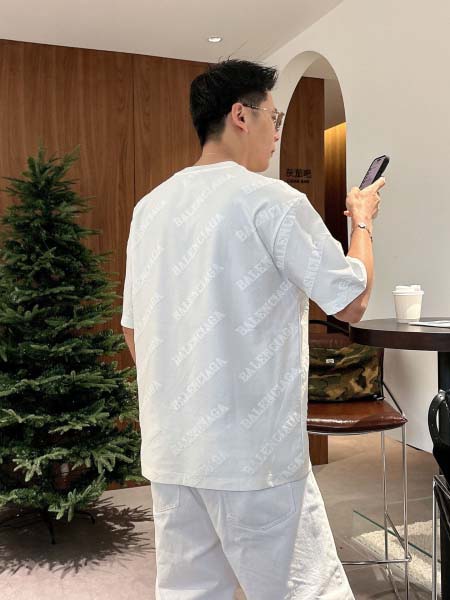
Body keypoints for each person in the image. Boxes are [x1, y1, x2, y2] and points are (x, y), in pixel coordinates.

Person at [121, 58, 385, 600]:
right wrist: (361, 219)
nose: (277, 131)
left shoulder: (150, 208)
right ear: (241, 116)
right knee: (303, 591)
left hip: (173, 449)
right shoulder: (274, 201)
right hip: (254, 457)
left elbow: (133, 331)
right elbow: (353, 301)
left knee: (191, 592)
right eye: (275, 117)